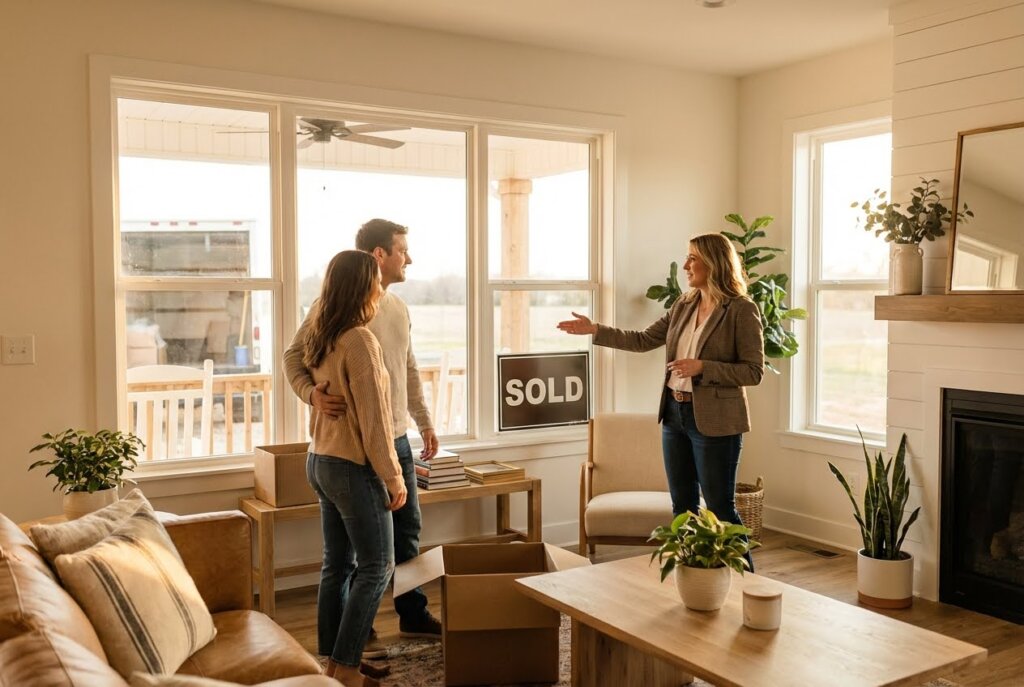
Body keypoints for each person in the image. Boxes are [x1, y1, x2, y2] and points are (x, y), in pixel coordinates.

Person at [558, 233, 764, 568]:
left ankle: (750, 582)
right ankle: (691, 577)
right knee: (682, 506)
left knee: (720, 507)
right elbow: (642, 340)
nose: (686, 265)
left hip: (716, 422)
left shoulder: (741, 310)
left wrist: (703, 368)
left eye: (692, 258)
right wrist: (595, 329)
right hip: (674, 414)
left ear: (714, 263)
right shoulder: (683, 304)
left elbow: (753, 371)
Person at [285, 219, 442, 659]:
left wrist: (424, 420)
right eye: (402, 250)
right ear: (378, 256)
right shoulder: (335, 314)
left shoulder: (399, 309)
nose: (408, 258)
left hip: (394, 439)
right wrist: (311, 395)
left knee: (406, 534)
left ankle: (409, 615)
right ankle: (348, 642)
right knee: (363, 560)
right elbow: (293, 359)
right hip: (359, 448)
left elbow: (407, 371)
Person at [302, 250, 407, 686]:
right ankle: (345, 669)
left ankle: (330, 662)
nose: (379, 289)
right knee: (377, 566)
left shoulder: (321, 336)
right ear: (363, 287)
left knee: (337, 564)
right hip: (351, 465)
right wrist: (394, 475)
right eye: (374, 282)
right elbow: (375, 420)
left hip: (320, 460)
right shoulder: (360, 340)